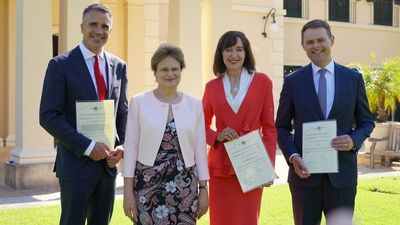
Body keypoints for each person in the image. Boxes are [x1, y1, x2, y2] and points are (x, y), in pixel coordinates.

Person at [275, 19, 375, 225]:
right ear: (302, 45)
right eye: (310, 42)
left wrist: (353, 140)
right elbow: (282, 126)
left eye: (321, 40)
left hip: (342, 177)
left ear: (332, 40)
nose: (316, 46)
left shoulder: (353, 79)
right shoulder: (293, 82)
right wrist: (293, 157)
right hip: (304, 178)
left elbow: (367, 122)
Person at [39, 3, 128, 225]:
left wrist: (123, 146)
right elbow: (48, 116)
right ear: (81, 27)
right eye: (93, 24)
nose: (99, 31)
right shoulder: (60, 65)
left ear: (110, 30)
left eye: (105, 26)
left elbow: (122, 113)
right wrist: (88, 147)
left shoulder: (119, 66)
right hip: (75, 165)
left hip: (107, 167)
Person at [123, 43, 209, 225]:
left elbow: (200, 151)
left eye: (175, 69)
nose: (170, 74)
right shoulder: (138, 102)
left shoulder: (195, 105)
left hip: (185, 186)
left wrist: (203, 189)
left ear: (181, 71)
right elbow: (130, 149)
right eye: (164, 69)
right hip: (146, 185)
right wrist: (128, 193)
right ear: (155, 73)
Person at [202, 31, 277, 225]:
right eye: (228, 50)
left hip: (252, 162)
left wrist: (268, 166)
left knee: (248, 218)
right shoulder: (211, 87)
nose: (233, 55)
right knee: (221, 219)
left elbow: (269, 129)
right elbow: (199, 125)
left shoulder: (263, 82)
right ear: (221, 53)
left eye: (239, 49)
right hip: (221, 165)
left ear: (246, 52)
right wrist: (216, 136)